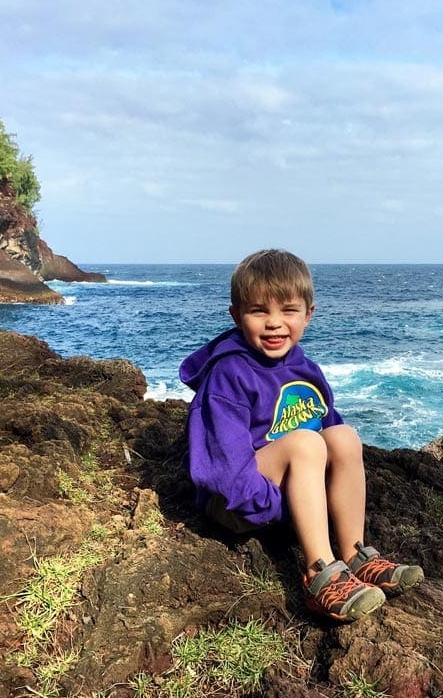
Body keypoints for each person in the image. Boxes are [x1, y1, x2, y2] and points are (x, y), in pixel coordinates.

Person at [180, 249, 424, 622]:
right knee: (307, 443)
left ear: (308, 314)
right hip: (236, 502)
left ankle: (354, 553)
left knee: (344, 436)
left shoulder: (305, 369)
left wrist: (314, 498)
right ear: (236, 315)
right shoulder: (229, 375)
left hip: (287, 489)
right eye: (259, 310)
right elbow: (223, 470)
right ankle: (318, 574)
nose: (275, 323)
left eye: (288, 310)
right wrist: (282, 508)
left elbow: (328, 433)